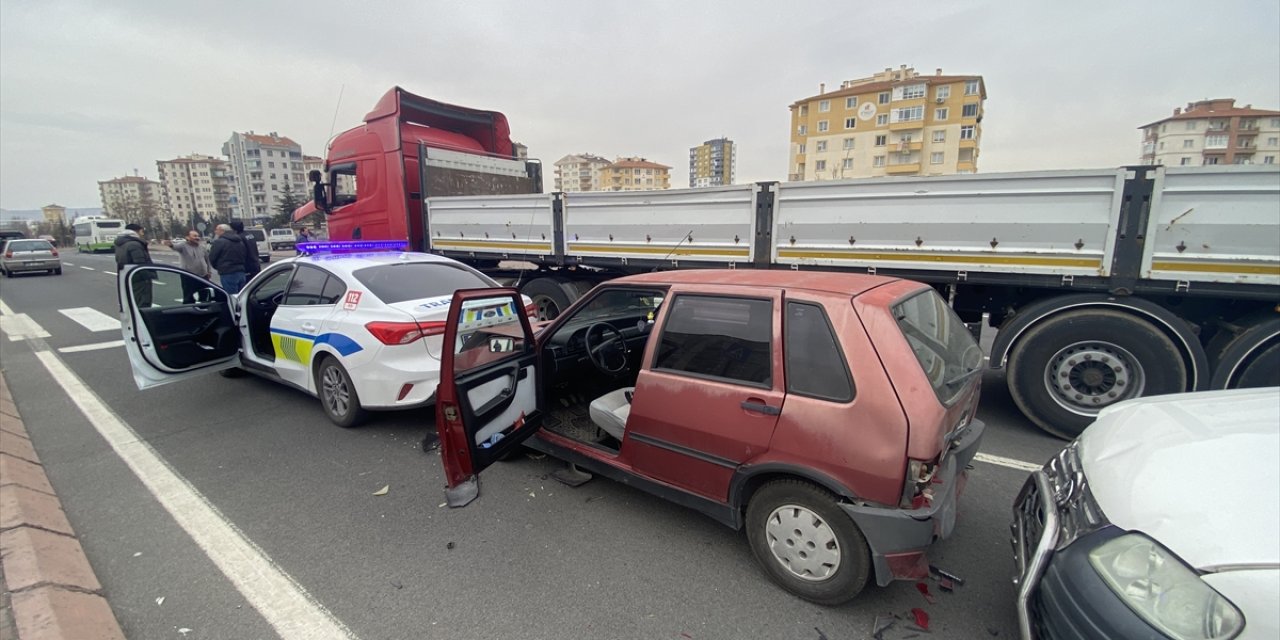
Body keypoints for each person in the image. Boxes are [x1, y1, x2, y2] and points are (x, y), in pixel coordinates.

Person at [165, 230, 213, 303]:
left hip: (203, 275)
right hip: (188, 275)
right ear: (187, 237)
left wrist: (209, 271)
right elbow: (174, 247)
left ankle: (204, 310)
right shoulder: (183, 246)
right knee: (188, 297)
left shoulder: (202, 247)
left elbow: (207, 260)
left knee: (205, 295)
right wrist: (170, 244)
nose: (197, 238)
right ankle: (189, 311)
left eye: (197, 236)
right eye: (194, 236)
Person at [114, 223, 155, 307]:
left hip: (130, 276)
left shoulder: (121, 243)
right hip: (140, 279)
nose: (142, 234)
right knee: (143, 301)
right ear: (137, 231)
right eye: (141, 231)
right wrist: (147, 276)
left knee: (134, 300)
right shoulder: (134, 244)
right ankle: (141, 319)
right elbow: (140, 263)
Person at [209, 223, 248, 294]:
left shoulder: (219, 242)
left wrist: (218, 267)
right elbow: (244, 254)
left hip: (227, 272)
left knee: (231, 296)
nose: (215, 232)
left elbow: (212, 257)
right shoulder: (239, 240)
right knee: (241, 295)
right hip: (241, 271)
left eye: (217, 230)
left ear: (222, 230)